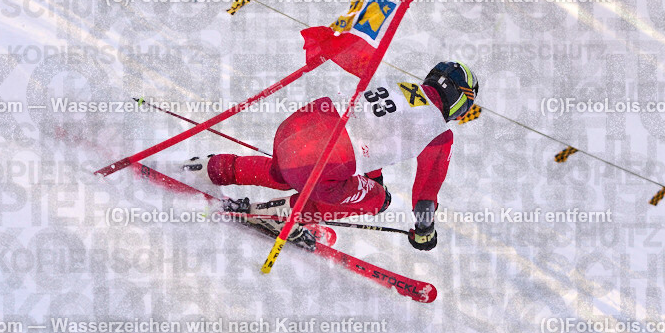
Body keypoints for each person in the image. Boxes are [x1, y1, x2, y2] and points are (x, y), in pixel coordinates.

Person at [184, 61, 478, 251]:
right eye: (466, 108)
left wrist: (376, 175)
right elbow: (426, 195)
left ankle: (209, 167)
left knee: (282, 171)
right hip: (327, 156)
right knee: (379, 200)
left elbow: (371, 131)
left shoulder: (400, 86)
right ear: (459, 100)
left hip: (299, 124)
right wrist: (424, 231)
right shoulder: (438, 132)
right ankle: (283, 215)